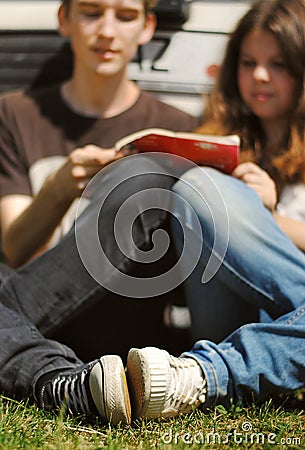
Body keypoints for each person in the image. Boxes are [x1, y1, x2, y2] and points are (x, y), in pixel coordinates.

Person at [0, 0, 199, 425]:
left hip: (122, 317)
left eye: (125, 16)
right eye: (91, 12)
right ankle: (66, 381)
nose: (107, 31)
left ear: (147, 27)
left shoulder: (176, 126)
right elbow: (15, 250)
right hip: (35, 316)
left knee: (143, 181)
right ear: (63, 19)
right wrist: (56, 191)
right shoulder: (15, 113)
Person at [124, 0, 305, 420]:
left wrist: (265, 216)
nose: (260, 76)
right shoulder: (216, 138)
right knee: (197, 188)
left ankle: (200, 374)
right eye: (248, 62)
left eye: (278, 64)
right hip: (235, 317)